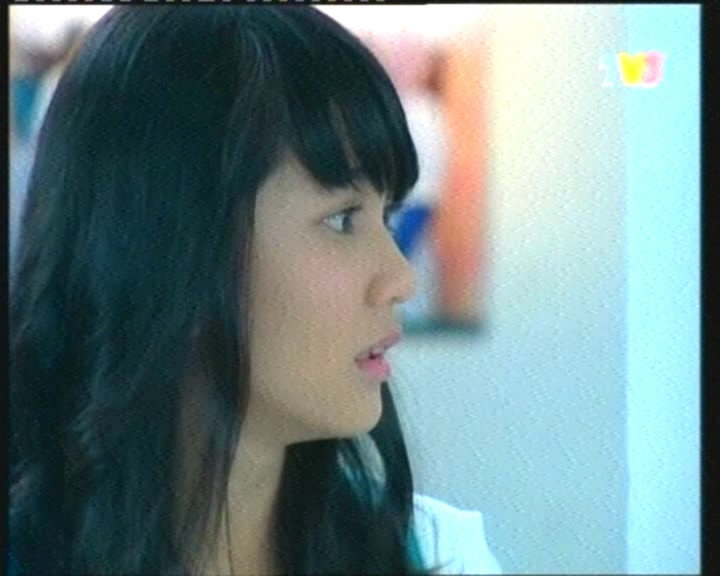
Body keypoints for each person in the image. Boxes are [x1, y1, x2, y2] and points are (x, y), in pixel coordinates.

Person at [8, 6, 502, 575]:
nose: (400, 279)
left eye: (387, 216)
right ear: (173, 245)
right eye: (343, 219)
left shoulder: (436, 553)